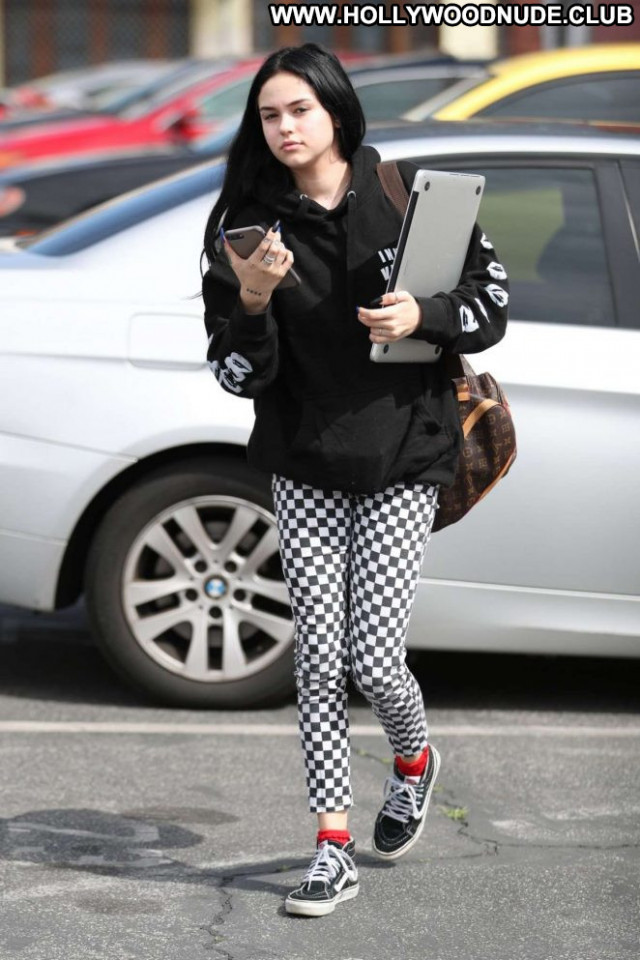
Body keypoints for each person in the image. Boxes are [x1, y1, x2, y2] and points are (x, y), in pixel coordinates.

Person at [201, 43, 508, 918]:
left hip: (405, 453)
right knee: (319, 657)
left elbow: (492, 304)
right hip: (304, 460)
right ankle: (331, 846)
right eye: (269, 115)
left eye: (299, 109)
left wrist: (425, 314)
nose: (285, 127)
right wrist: (252, 301)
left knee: (374, 657)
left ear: (336, 111)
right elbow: (234, 372)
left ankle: (413, 760)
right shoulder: (246, 226)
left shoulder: (406, 196)